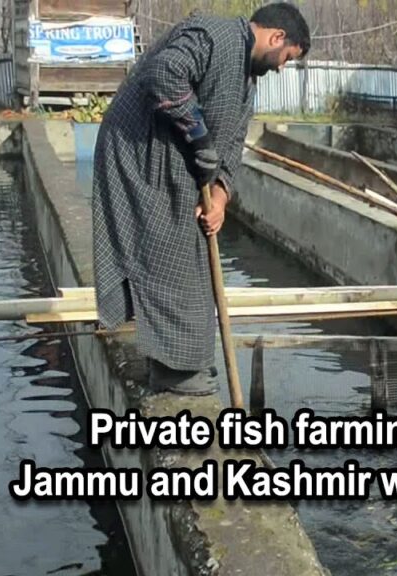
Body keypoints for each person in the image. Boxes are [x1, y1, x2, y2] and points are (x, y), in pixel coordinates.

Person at [92, 3, 310, 396]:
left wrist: (221, 198)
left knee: (191, 269)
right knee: (168, 260)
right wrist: (197, 132)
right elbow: (165, 72)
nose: (281, 68)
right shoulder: (214, 35)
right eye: (287, 59)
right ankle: (175, 372)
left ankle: (179, 363)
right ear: (277, 38)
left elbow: (232, 148)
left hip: (179, 175)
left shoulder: (246, 83)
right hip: (140, 157)